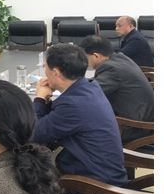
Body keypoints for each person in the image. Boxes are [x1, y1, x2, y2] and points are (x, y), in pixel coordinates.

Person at [32, 44, 127, 186]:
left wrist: (39, 99)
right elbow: (53, 119)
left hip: (92, 189)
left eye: (45, 67)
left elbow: (35, 134)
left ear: (56, 72)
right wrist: (45, 100)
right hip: (104, 174)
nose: (44, 71)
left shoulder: (73, 104)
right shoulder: (89, 86)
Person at [79, 35, 153, 144]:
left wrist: (63, 85)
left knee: (78, 127)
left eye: (84, 58)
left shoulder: (111, 69)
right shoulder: (120, 58)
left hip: (133, 127)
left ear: (96, 56)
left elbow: (88, 93)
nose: (83, 62)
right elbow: (94, 85)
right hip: (142, 118)